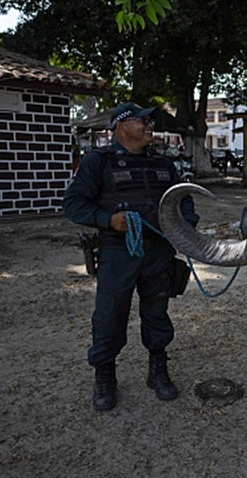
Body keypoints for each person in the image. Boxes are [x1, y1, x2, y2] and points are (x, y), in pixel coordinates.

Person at [63, 102, 199, 411]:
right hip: (117, 252)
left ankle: (158, 370)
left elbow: (184, 203)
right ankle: (105, 376)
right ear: (122, 126)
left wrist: (185, 229)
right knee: (110, 316)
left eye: (151, 121)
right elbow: (73, 204)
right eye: (144, 121)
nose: (150, 125)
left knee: (157, 313)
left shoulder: (165, 165)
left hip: (159, 254)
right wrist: (107, 220)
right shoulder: (98, 162)